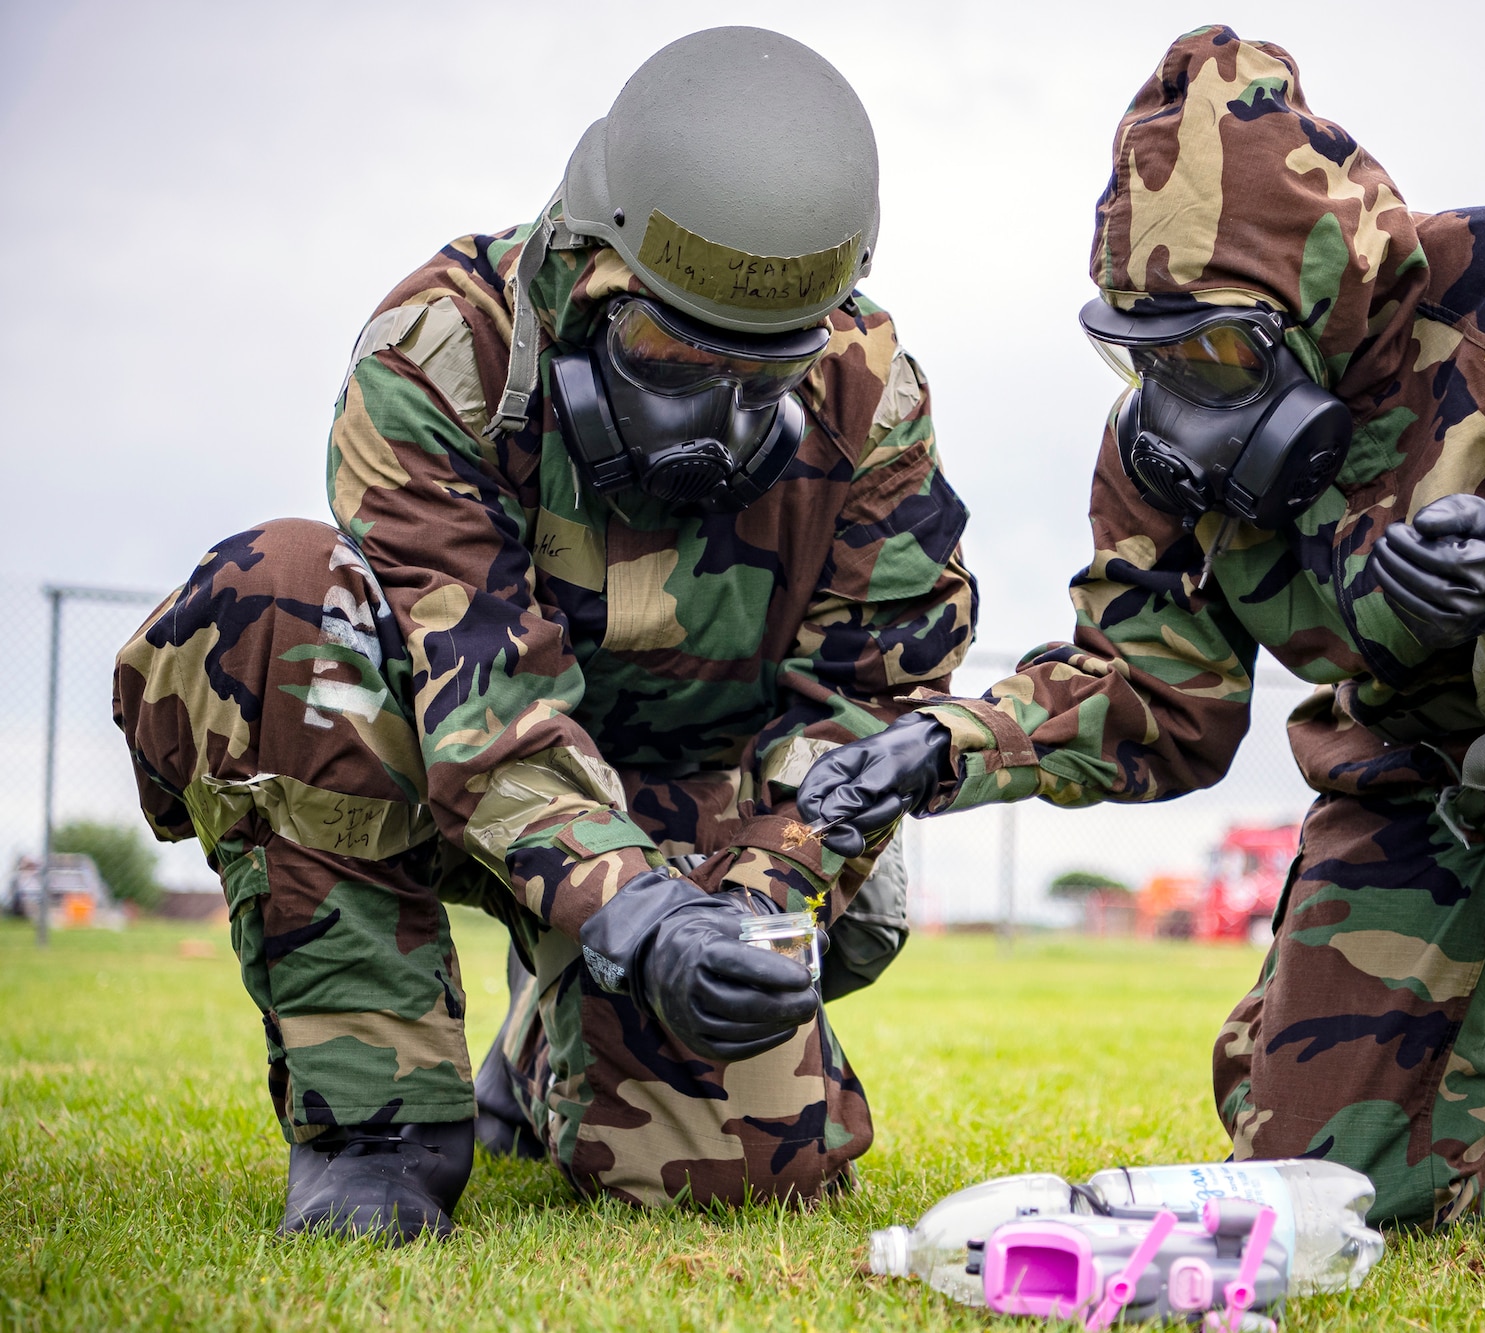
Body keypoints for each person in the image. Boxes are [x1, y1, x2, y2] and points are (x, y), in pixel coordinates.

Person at [795, 26, 1485, 1303]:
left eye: (1210, 353)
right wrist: (948, 743)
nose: (1171, 396)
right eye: (1141, 353)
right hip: (1418, 770)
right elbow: (1155, 699)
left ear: (1327, 301)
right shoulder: (1164, 452)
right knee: (1333, 1181)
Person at [112, 26, 975, 1242]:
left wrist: (757, 893)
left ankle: (543, 1042)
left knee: (739, 1173)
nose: (716, 429)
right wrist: (632, 909)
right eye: (675, 360)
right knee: (274, 590)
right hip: (444, 757)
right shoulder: (445, 352)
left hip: (691, 795)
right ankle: (379, 1125)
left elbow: (866, 696)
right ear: (595, 269)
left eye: (760, 382)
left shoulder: (868, 394)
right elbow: (481, 693)